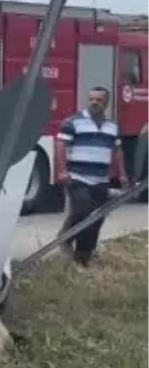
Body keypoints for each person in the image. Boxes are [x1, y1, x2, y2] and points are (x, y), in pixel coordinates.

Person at [56, 87, 128, 267]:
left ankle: (83, 259)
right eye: (92, 99)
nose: (94, 103)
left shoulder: (112, 126)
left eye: (99, 100)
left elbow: (118, 150)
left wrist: (122, 174)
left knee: (97, 219)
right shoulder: (73, 122)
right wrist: (62, 170)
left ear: (106, 103)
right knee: (84, 212)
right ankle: (65, 237)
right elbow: (60, 145)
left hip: (101, 180)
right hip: (78, 178)